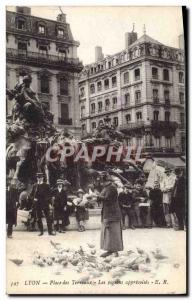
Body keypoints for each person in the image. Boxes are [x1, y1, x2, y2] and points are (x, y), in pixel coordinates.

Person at [99, 174, 123, 257]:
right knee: (108, 232)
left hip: (112, 213)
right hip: (108, 212)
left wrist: (96, 196)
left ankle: (114, 250)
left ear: (106, 181)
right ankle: (110, 250)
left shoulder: (111, 187)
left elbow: (108, 199)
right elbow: (103, 197)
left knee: (113, 232)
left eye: (102, 181)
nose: (101, 183)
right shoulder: (107, 187)